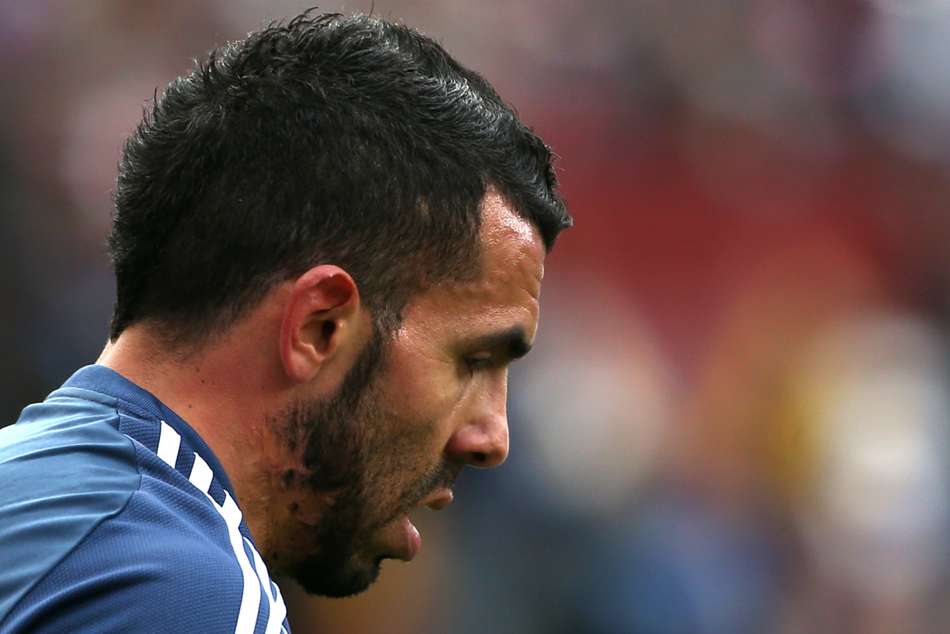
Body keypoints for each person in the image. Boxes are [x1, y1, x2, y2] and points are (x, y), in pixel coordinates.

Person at [0, 10, 570, 634]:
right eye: (474, 360)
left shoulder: (30, 490)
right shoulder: (185, 589)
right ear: (319, 327)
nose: (492, 439)